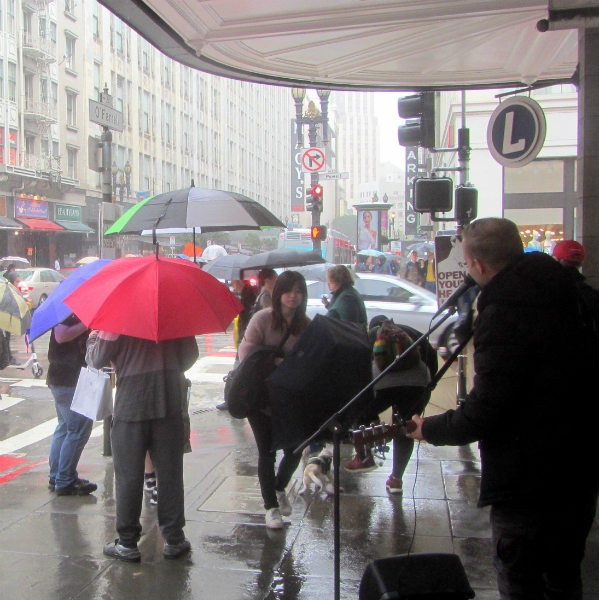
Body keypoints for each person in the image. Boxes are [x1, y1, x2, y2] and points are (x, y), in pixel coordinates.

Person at [407, 217, 599, 600]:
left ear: (477, 264)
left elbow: (489, 408)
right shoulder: (577, 295)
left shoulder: (504, 313)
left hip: (527, 480)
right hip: (579, 472)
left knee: (521, 583)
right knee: (564, 578)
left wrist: (430, 429)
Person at [87, 330, 199, 562]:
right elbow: (190, 356)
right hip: (168, 403)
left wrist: (93, 337)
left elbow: (96, 359)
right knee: (170, 475)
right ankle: (174, 538)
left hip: (131, 407)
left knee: (128, 476)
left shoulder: (117, 316)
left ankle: (127, 543)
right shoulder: (172, 313)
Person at [239, 271, 311, 529]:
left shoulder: (306, 325)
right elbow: (245, 353)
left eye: (299, 291)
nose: (293, 296)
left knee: (295, 447)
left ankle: (279, 487)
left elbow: (312, 359)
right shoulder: (262, 319)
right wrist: (279, 361)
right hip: (259, 397)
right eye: (288, 290)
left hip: (290, 398)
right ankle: (270, 507)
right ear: (278, 293)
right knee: (266, 451)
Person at [47, 315, 97, 496]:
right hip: (68, 380)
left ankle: (57, 476)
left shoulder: (71, 308)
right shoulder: (68, 310)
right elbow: (61, 335)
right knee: (78, 428)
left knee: (65, 427)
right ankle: (65, 479)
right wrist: (86, 324)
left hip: (64, 378)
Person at [216, 278, 258, 411]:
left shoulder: (247, 295)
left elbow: (245, 316)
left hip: (246, 340)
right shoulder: (250, 294)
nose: (233, 285)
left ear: (240, 282)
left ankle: (231, 400)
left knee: (237, 371)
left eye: (234, 282)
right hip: (246, 339)